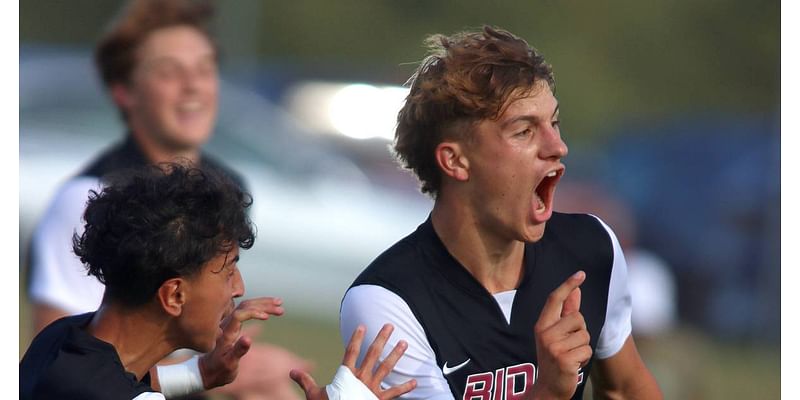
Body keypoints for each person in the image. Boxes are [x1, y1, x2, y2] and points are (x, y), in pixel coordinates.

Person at [340, 26, 663, 399]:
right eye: (524, 131)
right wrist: (547, 391)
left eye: (554, 123)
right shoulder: (389, 299)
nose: (557, 146)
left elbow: (625, 388)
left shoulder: (591, 249)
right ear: (456, 161)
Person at [25, 0, 309, 397]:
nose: (193, 86)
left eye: (204, 69)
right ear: (124, 91)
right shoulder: (87, 199)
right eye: (170, 72)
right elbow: (83, 364)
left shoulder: (223, 189)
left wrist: (203, 371)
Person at [20, 163, 417, 400]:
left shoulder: (60, 340)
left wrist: (201, 374)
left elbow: (127, 380)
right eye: (228, 271)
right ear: (174, 294)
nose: (239, 287)